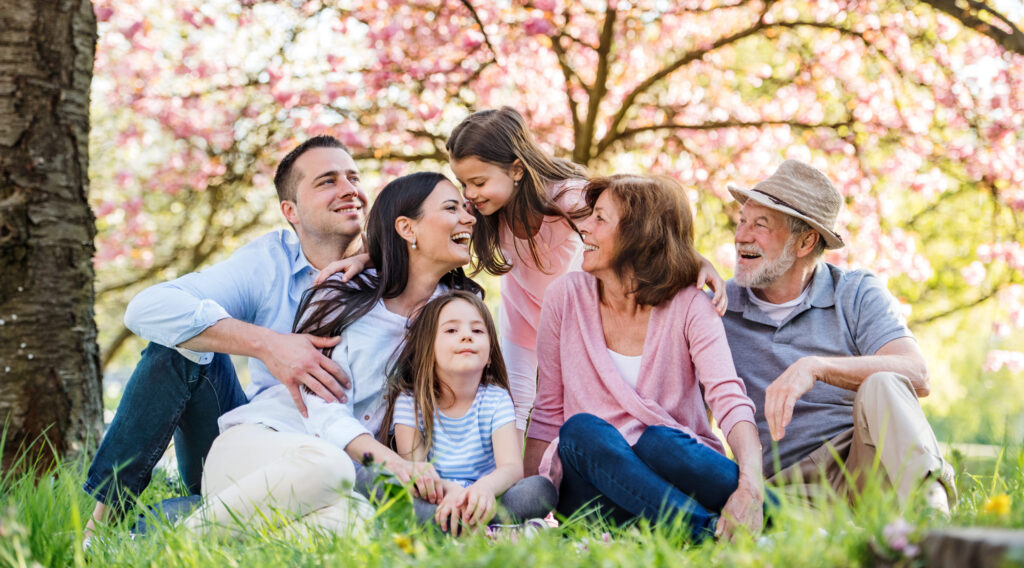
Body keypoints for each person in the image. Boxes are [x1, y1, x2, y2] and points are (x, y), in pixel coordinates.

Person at [83, 136, 367, 537]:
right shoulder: (269, 262)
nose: (349, 189)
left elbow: (459, 232)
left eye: (353, 177)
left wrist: (374, 252)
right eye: (327, 181)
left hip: (347, 452)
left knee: (347, 519)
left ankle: (178, 524)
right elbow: (147, 308)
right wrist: (270, 344)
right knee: (178, 344)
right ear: (291, 211)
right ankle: (101, 528)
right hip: (257, 442)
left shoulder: (398, 258)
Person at [182, 172, 482, 535]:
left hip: (332, 485)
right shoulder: (342, 293)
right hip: (264, 449)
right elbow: (321, 408)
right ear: (407, 228)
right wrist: (394, 464)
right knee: (332, 466)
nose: (468, 218)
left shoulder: (460, 314)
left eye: (467, 209)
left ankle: (197, 533)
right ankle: (182, 540)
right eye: (452, 208)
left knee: (360, 524)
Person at [445, 107, 727, 433]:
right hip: (523, 311)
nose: (469, 193)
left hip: (578, 317)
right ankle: (515, 474)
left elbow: (641, 228)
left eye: (478, 182)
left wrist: (696, 260)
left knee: (587, 408)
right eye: (463, 183)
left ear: (517, 170)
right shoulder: (486, 211)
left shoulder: (569, 197)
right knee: (516, 400)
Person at [524, 175, 766, 542]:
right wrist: (528, 505)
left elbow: (729, 399)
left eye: (600, 219)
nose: (584, 227)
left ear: (641, 235)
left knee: (660, 442)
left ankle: (767, 517)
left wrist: (750, 484)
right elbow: (547, 412)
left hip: (673, 476)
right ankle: (709, 533)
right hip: (591, 488)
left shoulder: (689, 306)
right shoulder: (565, 298)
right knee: (581, 431)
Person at [721, 159, 955, 513]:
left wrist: (817, 367)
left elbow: (917, 374)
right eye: (742, 221)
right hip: (787, 491)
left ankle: (932, 516)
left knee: (884, 382)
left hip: (863, 467)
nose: (742, 235)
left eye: (761, 225)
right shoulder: (719, 309)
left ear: (806, 242)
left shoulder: (856, 292)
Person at [377, 290, 556, 535]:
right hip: (436, 499)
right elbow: (416, 470)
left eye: (477, 331)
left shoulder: (496, 399)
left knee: (539, 489)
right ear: (427, 350)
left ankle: (466, 529)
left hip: (488, 500)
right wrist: (453, 493)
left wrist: (482, 490)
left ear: (490, 354)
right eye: (452, 330)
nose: (466, 337)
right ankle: (495, 531)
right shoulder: (410, 402)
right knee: (388, 489)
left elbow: (512, 468)